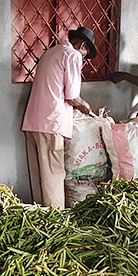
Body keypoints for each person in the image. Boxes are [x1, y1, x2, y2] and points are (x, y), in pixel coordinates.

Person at [21, 27, 96, 208]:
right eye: (86, 54)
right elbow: (72, 96)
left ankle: (40, 220)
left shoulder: (52, 52)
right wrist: (84, 105)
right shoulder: (72, 55)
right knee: (53, 176)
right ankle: (56, 224)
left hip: (32, 122)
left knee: (39, 177)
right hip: (51, 124)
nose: (84, 59)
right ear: (83, 45)